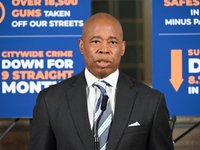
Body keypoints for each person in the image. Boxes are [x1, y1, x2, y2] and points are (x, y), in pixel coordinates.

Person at [28, 13, 174, 150]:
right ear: (81, 46)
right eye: (96, 41)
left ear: (122, 48)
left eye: (112, 42)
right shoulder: (50, 100)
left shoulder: (151, 101)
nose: (104, 49)